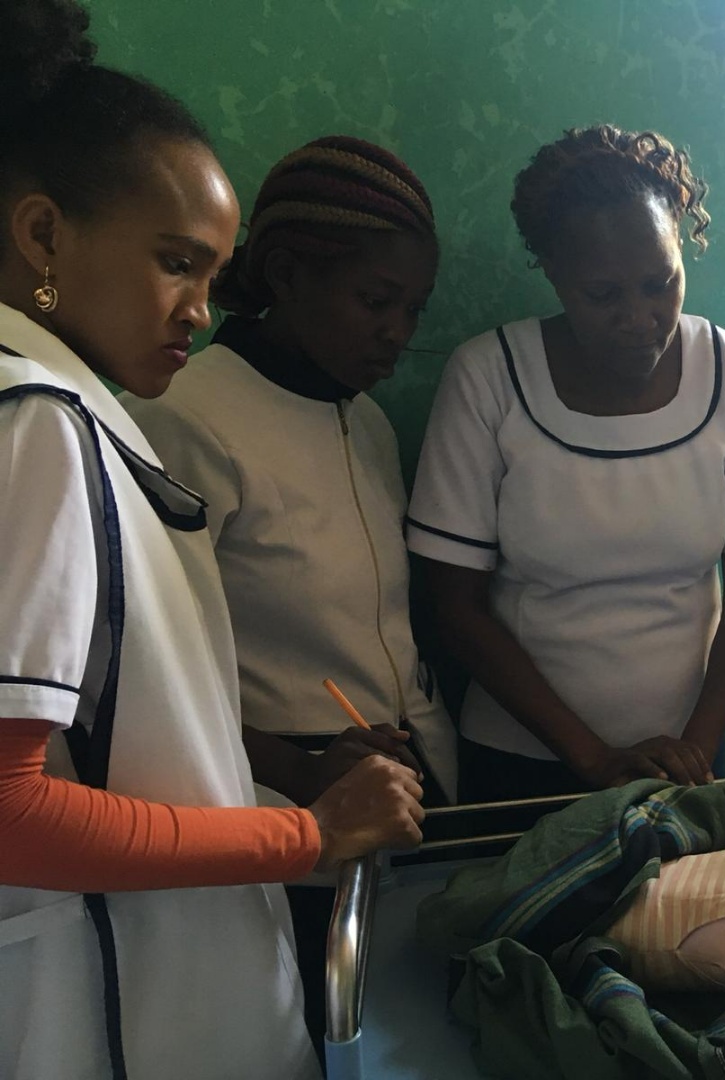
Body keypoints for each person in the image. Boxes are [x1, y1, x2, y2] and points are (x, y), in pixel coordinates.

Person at [0, 4, 424, 1077]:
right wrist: (308, 832)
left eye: (210, 272)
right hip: (103, 989)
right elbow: (9, 812)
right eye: (176, 262)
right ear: (44, 235)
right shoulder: (38, 422)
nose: (198, 307)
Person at [122, 134, 458, 1054]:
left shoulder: (370, 420)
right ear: (283, 272)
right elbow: (156, 671)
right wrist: (299, 769)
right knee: (304, 1039)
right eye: (375, 301)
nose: (396, 331)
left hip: (397, 794)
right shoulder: (191, 417)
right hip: (282, 802)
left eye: (413, 308)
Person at [407, 125, 725, 803]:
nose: (640, 317)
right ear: (554, 272)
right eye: (603, 294)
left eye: (659, 283)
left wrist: (697, 750)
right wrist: (591, 758)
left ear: (682, 249)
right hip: (520, 761)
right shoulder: (488, 376)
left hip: (687, 757)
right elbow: (454, 605)